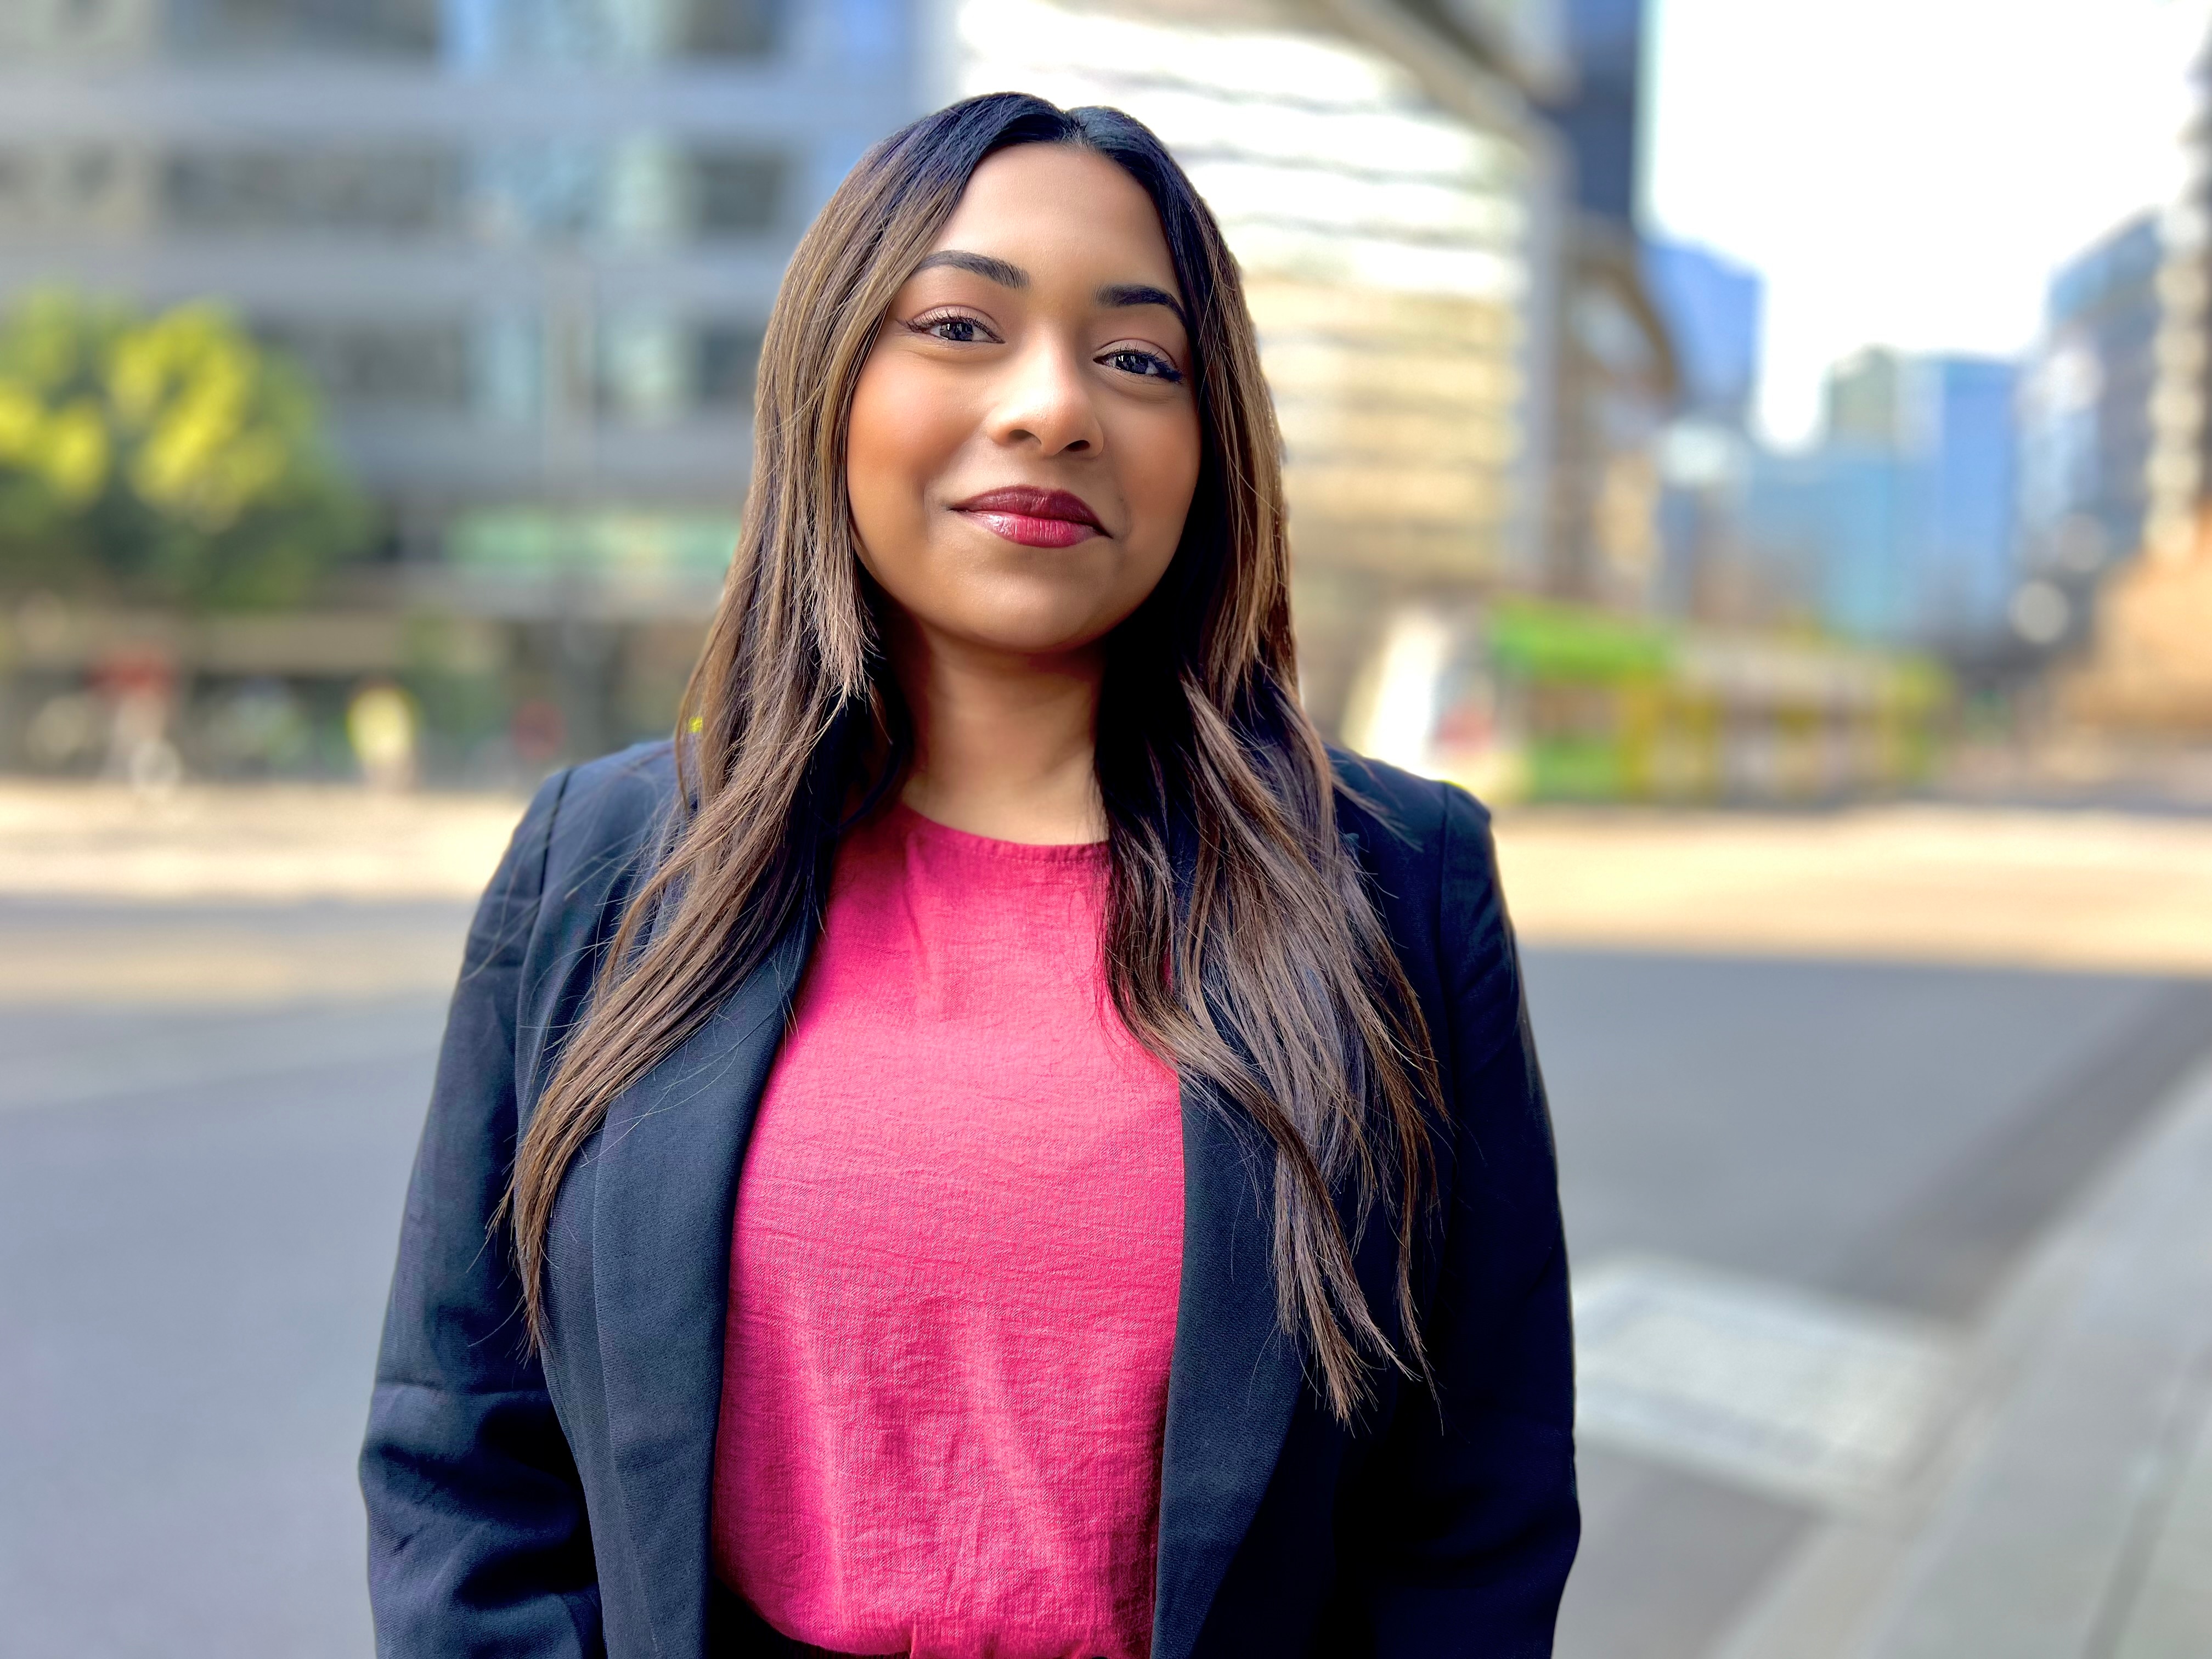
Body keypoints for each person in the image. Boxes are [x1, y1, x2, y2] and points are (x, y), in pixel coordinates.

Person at [360, 94, 1577, 1659]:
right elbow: (461, 1445)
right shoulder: (605, 866)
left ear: (1212, 452)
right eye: (960, 325)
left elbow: (1475, 1516)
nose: (1053, 406)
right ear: (831, 385)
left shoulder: (1398, 888)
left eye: (1139, 360)